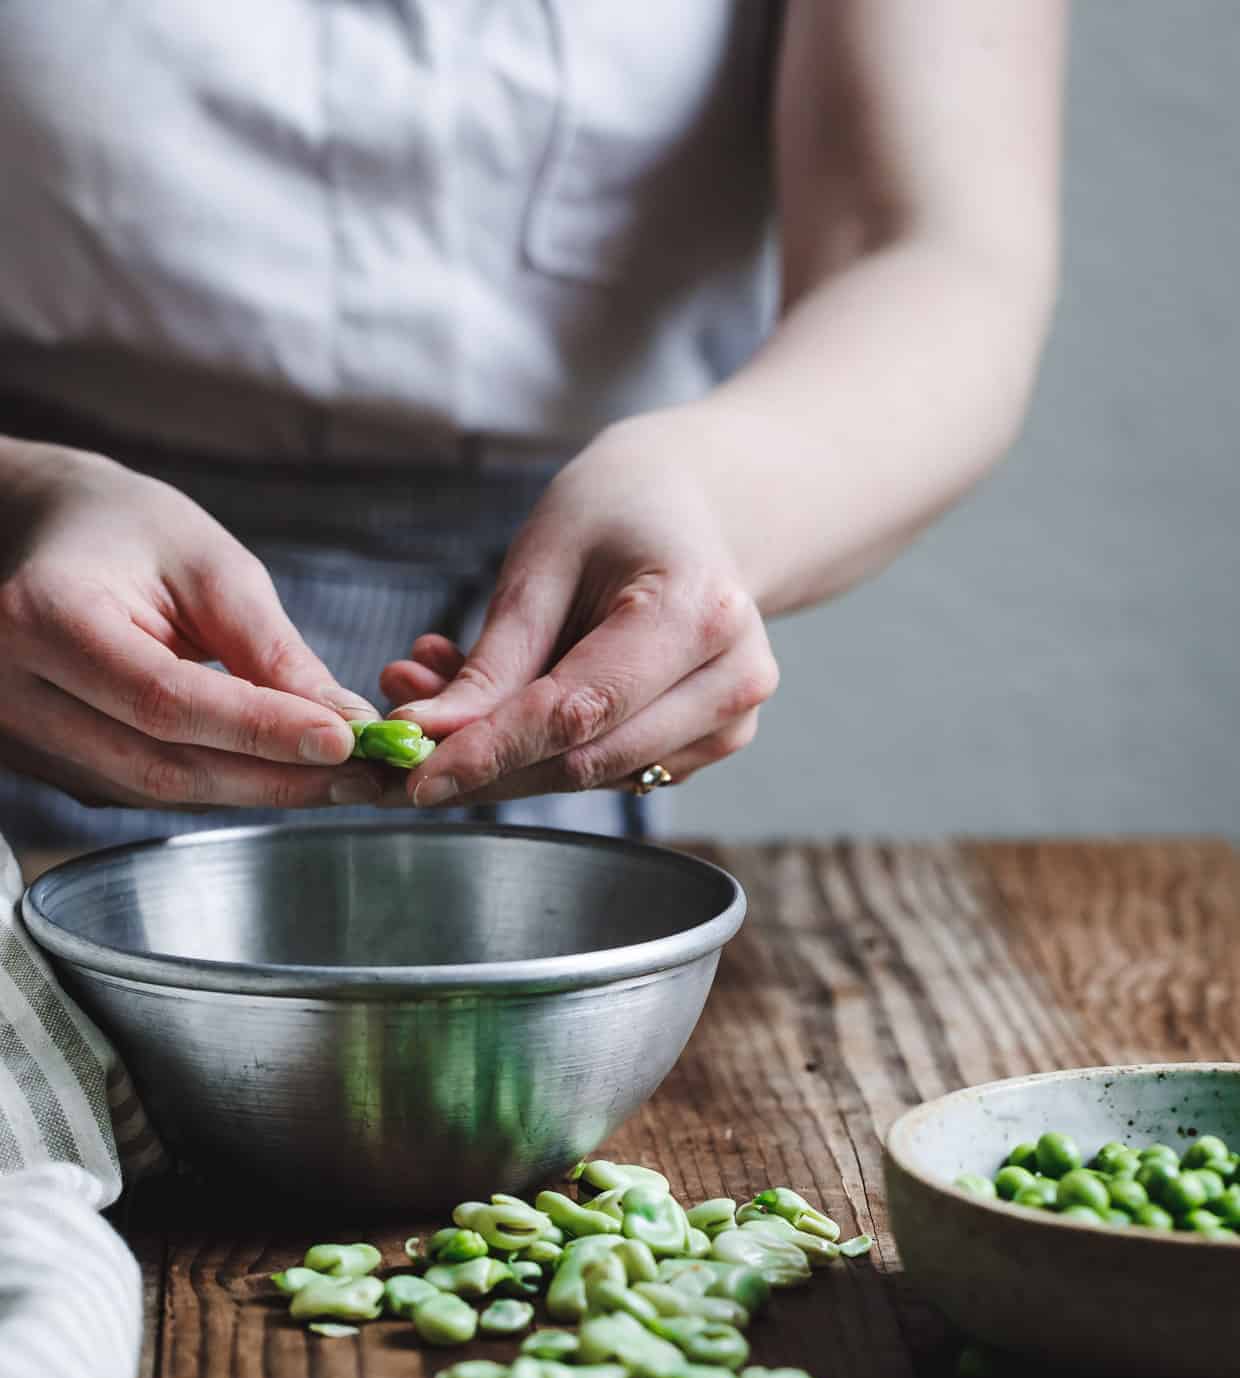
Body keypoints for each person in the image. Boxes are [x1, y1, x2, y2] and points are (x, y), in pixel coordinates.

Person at [0, 0, 1065, 858]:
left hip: (575, 682)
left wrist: (707, 497)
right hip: (43, 637)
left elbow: (930, 251)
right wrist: (20, 501)